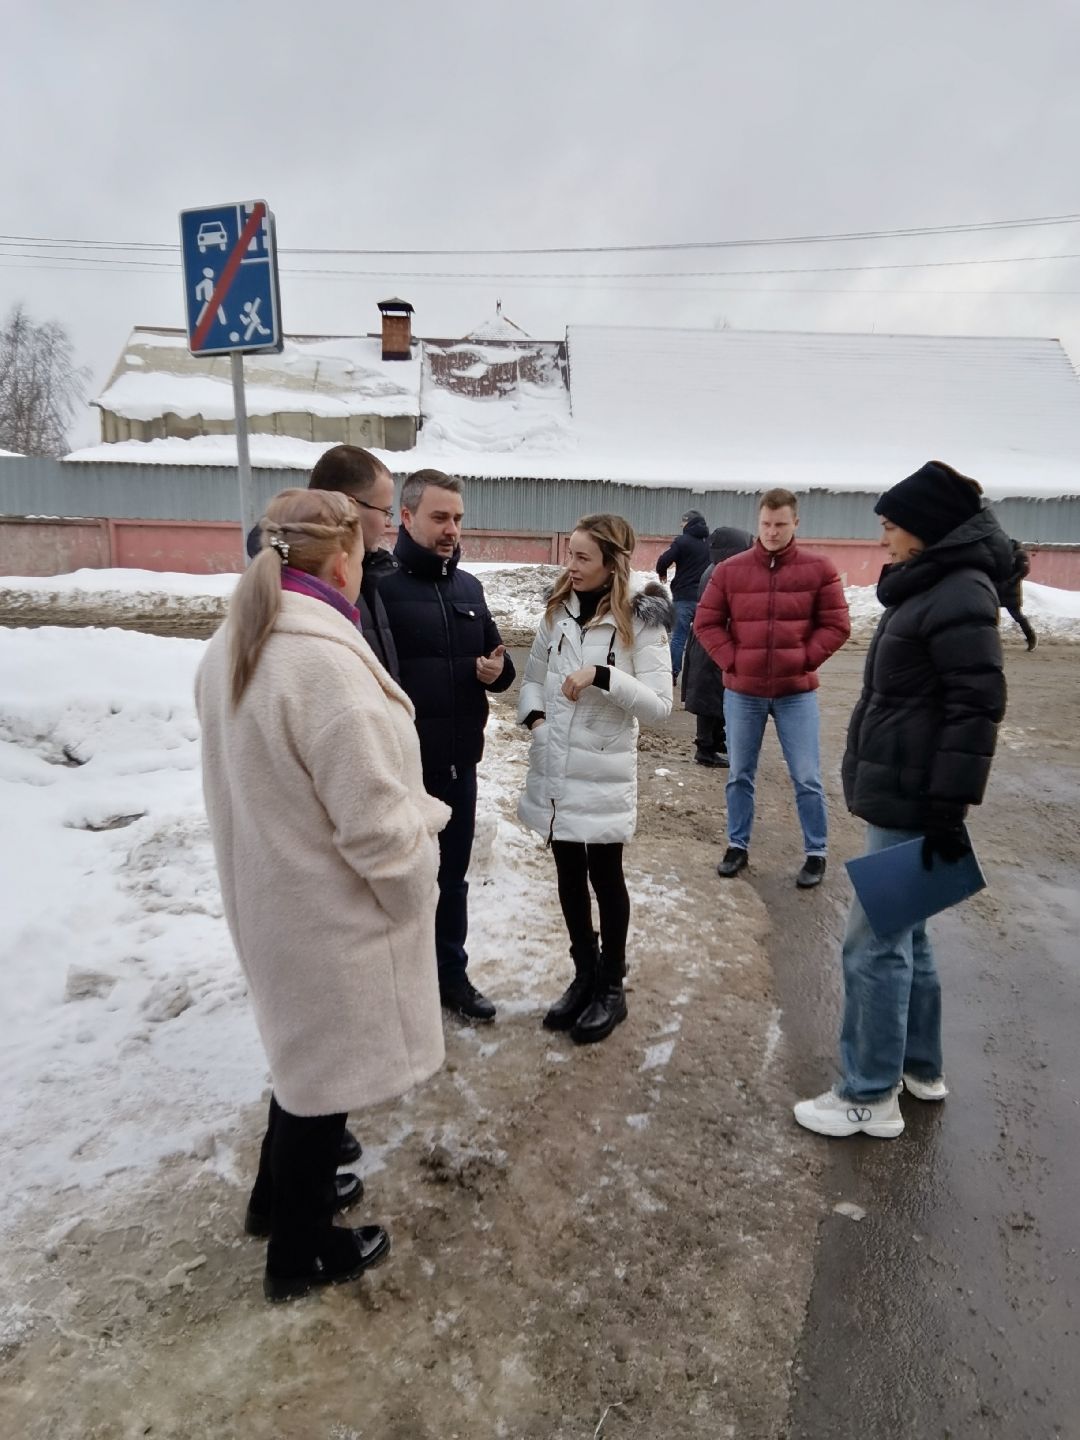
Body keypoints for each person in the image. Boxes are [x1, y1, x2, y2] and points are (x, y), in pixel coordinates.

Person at [196, 488, 450, 1301]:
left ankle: (275, 1201)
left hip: (276, 897)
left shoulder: (239, 640)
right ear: (341, 560)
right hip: (330, 912)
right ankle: (299, 1253)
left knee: (301, 1064)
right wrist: (415, 888)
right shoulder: (324, 665)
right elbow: (376, 826)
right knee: (323, 1085)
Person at [794, 460, 1012, 1139]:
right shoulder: (934, 585)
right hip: (907, 786)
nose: (883, 538)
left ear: (926, 527)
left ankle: (867, 1093)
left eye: (891, 526)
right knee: (907, 931)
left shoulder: (957, 591)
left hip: (916, 794)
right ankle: (918, 1065)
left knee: (873, 943)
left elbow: (977, 705)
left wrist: (948, 804)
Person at [517, 514, 673, 1043]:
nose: (572, 566)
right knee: (567, 869)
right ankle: (584, 973)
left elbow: (660, 707)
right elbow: (533, 679)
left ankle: (611, 986)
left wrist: (603, 676)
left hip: (603, 768)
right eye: (570, 554)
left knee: (605, 874)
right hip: (557, 761)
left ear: (612, 563)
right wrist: (537, 724)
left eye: (583, 557)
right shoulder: (558, 609)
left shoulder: (642, 620)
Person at [378, 468, 516, 1023]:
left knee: (452, 879)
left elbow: (499, 662)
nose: (452, 529)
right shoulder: (378, 589)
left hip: (460, 765)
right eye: (440, 517)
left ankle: (450, 976)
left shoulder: (469, 589)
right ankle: (397, 985)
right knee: (399, 883)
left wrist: (498, 673)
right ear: (406, 517)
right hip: (401, 771)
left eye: (457, 518)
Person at [695, 488, 851, 889]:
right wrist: (732, 660)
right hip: (742, 692)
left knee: (807, 776)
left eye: (781, 524)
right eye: (766, 524)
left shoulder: (818, 569)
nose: (772, 532)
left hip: (796, 693)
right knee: (739, 774)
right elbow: (706, 622)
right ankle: (737, 845)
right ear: (758, 522)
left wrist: (803, 659)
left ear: (795, 523)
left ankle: (816, 852)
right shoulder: (731, 571)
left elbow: (836, 625)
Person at [245, 444, 400, 681]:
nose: (388, 523)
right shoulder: (309, 592)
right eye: (385, 511)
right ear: (350, 505)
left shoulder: (367, 569)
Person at [681, 526, 753, 766]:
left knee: (716, 693)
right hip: (711, 641)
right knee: (708, 697)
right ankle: (705, 749)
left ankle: (715, 739)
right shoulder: (721, 572)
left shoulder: (717, 568)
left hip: (711, 639)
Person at [656, 509, 711, 681]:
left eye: (683, 522)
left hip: (684, 597)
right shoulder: (709, 543)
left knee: (679, 636)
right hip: (704, 598)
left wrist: (662, 572)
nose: (681, 525)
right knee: (702, 638)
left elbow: (663, 560)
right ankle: (699, 675)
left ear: (689, 523)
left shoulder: (683, 541)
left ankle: (673, 673)